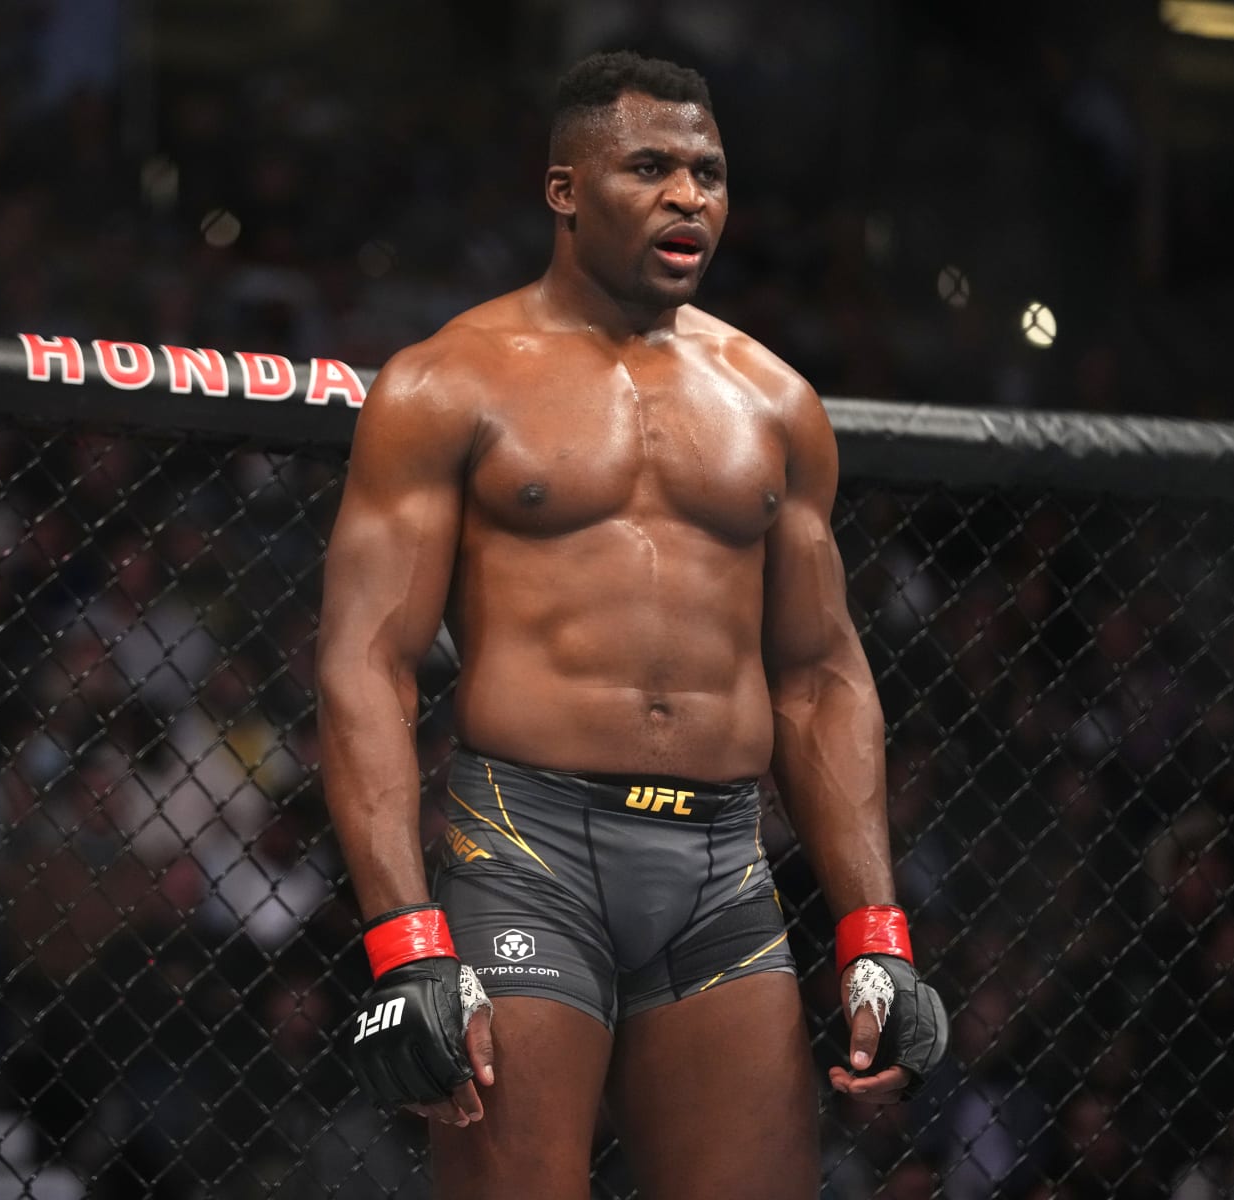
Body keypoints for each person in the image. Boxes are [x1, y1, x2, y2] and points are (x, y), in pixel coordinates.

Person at [316, 51, 950, 1198]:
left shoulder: (774, 401)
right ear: (564, 190)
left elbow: (819, 672)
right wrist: (402, 933)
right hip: (525, 852)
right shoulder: (446, 383)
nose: (689, 197)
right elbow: (367, 663)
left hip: (722, 867)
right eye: (650, 167)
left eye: (708, 172)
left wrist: (875, 927)